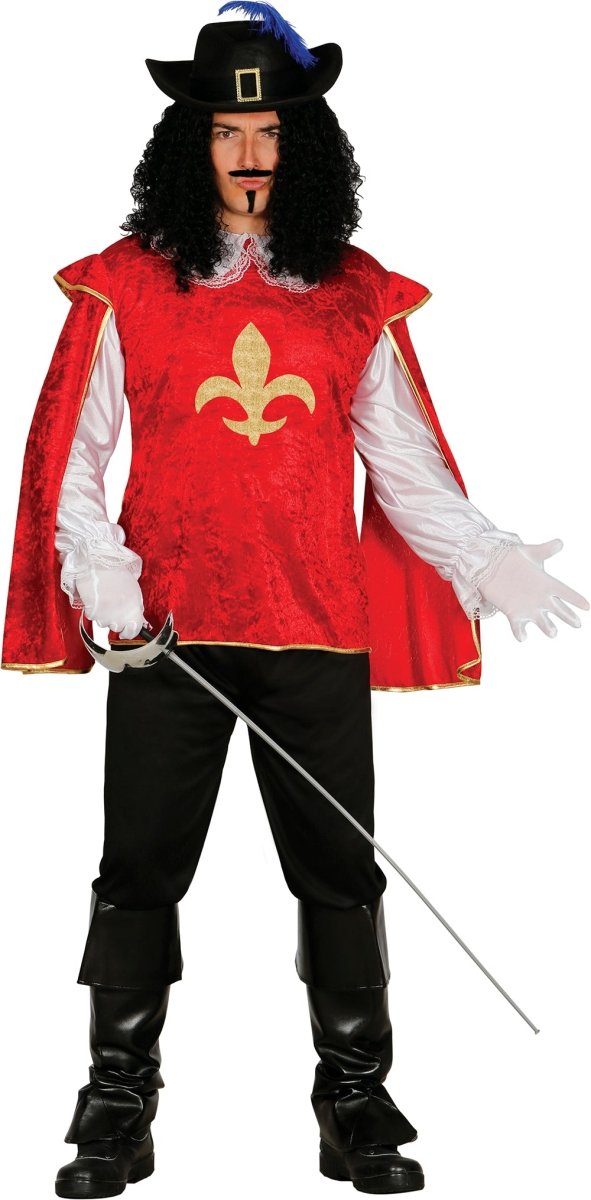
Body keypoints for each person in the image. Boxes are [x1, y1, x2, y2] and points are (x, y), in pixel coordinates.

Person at [1, 5, 588, 1197]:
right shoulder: (127, 285)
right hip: (167, 638)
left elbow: (404, 462)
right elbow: (77, 457)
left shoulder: (350, 293)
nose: (250, 153)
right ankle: (118, 1099)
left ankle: (354, 1099)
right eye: (228, 132)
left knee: (341, 872)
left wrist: (484, 557)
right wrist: (104, 579)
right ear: (192, 144)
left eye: (270, 130)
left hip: (315, 626)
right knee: (138, 869)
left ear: (303, 142)